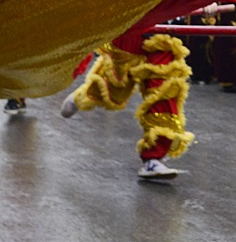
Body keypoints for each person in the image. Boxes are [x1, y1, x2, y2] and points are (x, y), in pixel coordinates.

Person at [61, 28, 197, 182]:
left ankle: (153, 159)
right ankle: (84, 96)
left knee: (164, 93)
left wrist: (201, 3)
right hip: (133, 26)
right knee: (114, 86)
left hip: (162, 34)